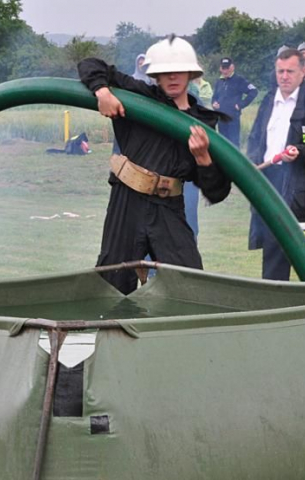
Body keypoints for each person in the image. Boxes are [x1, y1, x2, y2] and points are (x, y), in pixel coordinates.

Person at [78, 36, 232, 295]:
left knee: (190, 286)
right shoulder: (137, 96)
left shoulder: (203, 121)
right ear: (155, 76)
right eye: (164, 72)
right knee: (111, 286)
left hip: (169, 208)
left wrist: (203, 158)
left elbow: (217, 191)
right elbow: (90, 64)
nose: (172, 77)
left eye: (178, 71)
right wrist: (102, 91)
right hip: (125, 204)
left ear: (190, 73)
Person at [247, 49, 305, 281]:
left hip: (302, 189)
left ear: (303, 72)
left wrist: (303, 151)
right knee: (273, 248)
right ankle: (274, 307)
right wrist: (252, 164)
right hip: (270, 184)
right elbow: (256, 138)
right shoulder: (269, 101)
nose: (284, 76)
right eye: (280, 71)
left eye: (290, 71)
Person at [211, 57, 258, 147]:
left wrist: (241, 104)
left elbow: (254, 91)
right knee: (222, 144)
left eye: (227, 68)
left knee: (234, 144)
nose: (225, 71)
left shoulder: (239, 80)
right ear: (220, 68)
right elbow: (215, 97)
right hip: (221, 117)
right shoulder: (219, 81)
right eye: (223, 68)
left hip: (233, 118)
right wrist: (214, 103)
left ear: (232, 67)